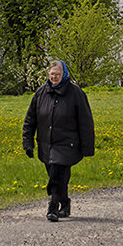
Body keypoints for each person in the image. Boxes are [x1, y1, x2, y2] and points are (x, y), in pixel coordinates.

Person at [22, 60, 95, 221]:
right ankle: (65, 203)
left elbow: (85, 122)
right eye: (52, 74)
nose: (54, 77)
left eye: (58, 74)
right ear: (48, 75)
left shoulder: (76, 94)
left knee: (57, 173)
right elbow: (30, 119)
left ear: (64, 75)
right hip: (46, 144)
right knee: (58, 176)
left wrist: (87, 146)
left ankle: (53, 207)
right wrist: (28, 142)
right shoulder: (41, 93)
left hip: (67, 143)